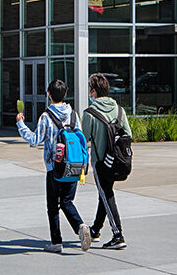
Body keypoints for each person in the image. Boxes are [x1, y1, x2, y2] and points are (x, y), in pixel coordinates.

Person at [16, 79, 91, 254]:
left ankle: (56, 242)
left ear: (49, 94)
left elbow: (34, 140)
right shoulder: (73, 114)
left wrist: (20, 124)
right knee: (67, 201)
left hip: (54, 167)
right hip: (73, 165)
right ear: (65, 95)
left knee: (53, 206)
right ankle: (80, 226)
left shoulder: (46, 116)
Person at [82, 72, 132, 250]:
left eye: (90, 88)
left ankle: (118, 234)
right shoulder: (119, 110)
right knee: (105, 192)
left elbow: (84, 138)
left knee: (107, 195)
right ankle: (96, 229)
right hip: (118, 161)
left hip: (101, 162)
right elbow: (129, 134)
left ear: (94, 91)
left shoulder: (90, 113)